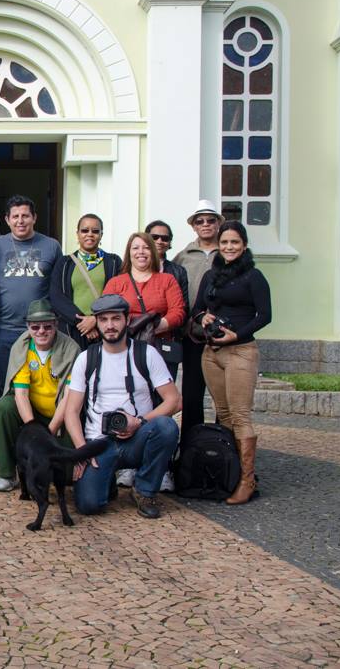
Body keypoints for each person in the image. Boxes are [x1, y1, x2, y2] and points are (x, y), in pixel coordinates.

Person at [63, 295, 182, 519]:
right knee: (88, 505)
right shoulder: (86, 358)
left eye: (116, 319)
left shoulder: (146, 354)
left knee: (166, 427)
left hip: (138, 437)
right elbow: (71, 410)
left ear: (127, 320)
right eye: (104, 319)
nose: (110, 325)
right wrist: (82, 449)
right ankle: (106, 482)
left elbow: (174, 400)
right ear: (96, 323)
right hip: (99, 442)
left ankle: (145, 490)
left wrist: (140, 422)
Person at [192, 221, 272, 505]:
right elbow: (198, 308)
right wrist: (203, 317)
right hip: (211, 353)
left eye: (234, 243)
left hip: (240, 351)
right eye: (224, 243)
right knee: (223, 414)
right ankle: (231, 472)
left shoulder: (254, 276)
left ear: (244, 245)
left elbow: (265, 315)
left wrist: (237, 334)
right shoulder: (211, 275)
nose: (228, 247)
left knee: (240, 415)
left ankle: (247, 481)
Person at [0, 298, 80, 492]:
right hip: (33, 412)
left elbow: (69, 396)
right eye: (35, 326)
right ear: (28, 327)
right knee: (5, 406)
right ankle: (6, 474)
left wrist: (48, 433)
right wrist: (34, 433)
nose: (41, 331)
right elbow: (20, 393)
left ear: (56, 324)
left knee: (66, 478)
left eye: (47, 326)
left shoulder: (71, 348)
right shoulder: (21, 347)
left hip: (63, 414)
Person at [0, 195, 62, 407]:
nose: (21, 221)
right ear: (7, 219)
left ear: (34, 218)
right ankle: (7, 434)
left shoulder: (51, 246)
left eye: (25, 216)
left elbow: (57, 287)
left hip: (40, 330)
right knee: (5, 385)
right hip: (4, 329)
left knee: (41, 384)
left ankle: (35, 433)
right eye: (16, 216)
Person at [173, 200, 222, 453]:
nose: (205, 225)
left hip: (222, 334)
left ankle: (222, 445)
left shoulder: (226, 252)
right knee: (192, 393)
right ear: (193, 225)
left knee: (221, 395)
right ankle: (191, 448)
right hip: (192, 333)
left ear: (218, 223)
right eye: (199, 221)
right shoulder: (183, 256)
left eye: (210, 220)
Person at [103, 232, 187, 367]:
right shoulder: (116, 282)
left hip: (158, 346)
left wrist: (153, 327)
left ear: (152, 252)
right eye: (135, 248)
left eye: (146, 247)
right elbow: (105, 313)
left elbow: (178, 311)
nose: (141, 252)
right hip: (124, 346)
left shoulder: (167, 280)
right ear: (129, 253)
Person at [51, 213, 123, 350]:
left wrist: (96, 320)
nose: (90, 234)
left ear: (101, 234)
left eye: (95, 231)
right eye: (85, 230)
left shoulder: (113, 262)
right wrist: (83, 322)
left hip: (105, 329)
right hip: (72, 330)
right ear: (77, 234)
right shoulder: (65, 263)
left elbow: (119, 295)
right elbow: (56, 296)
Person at [144, 220, 190, 311]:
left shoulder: (179, 271)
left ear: (169, 243)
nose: (159, 241)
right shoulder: (132, 267)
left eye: (165, 238)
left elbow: (184, 307)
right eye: (154, 237)